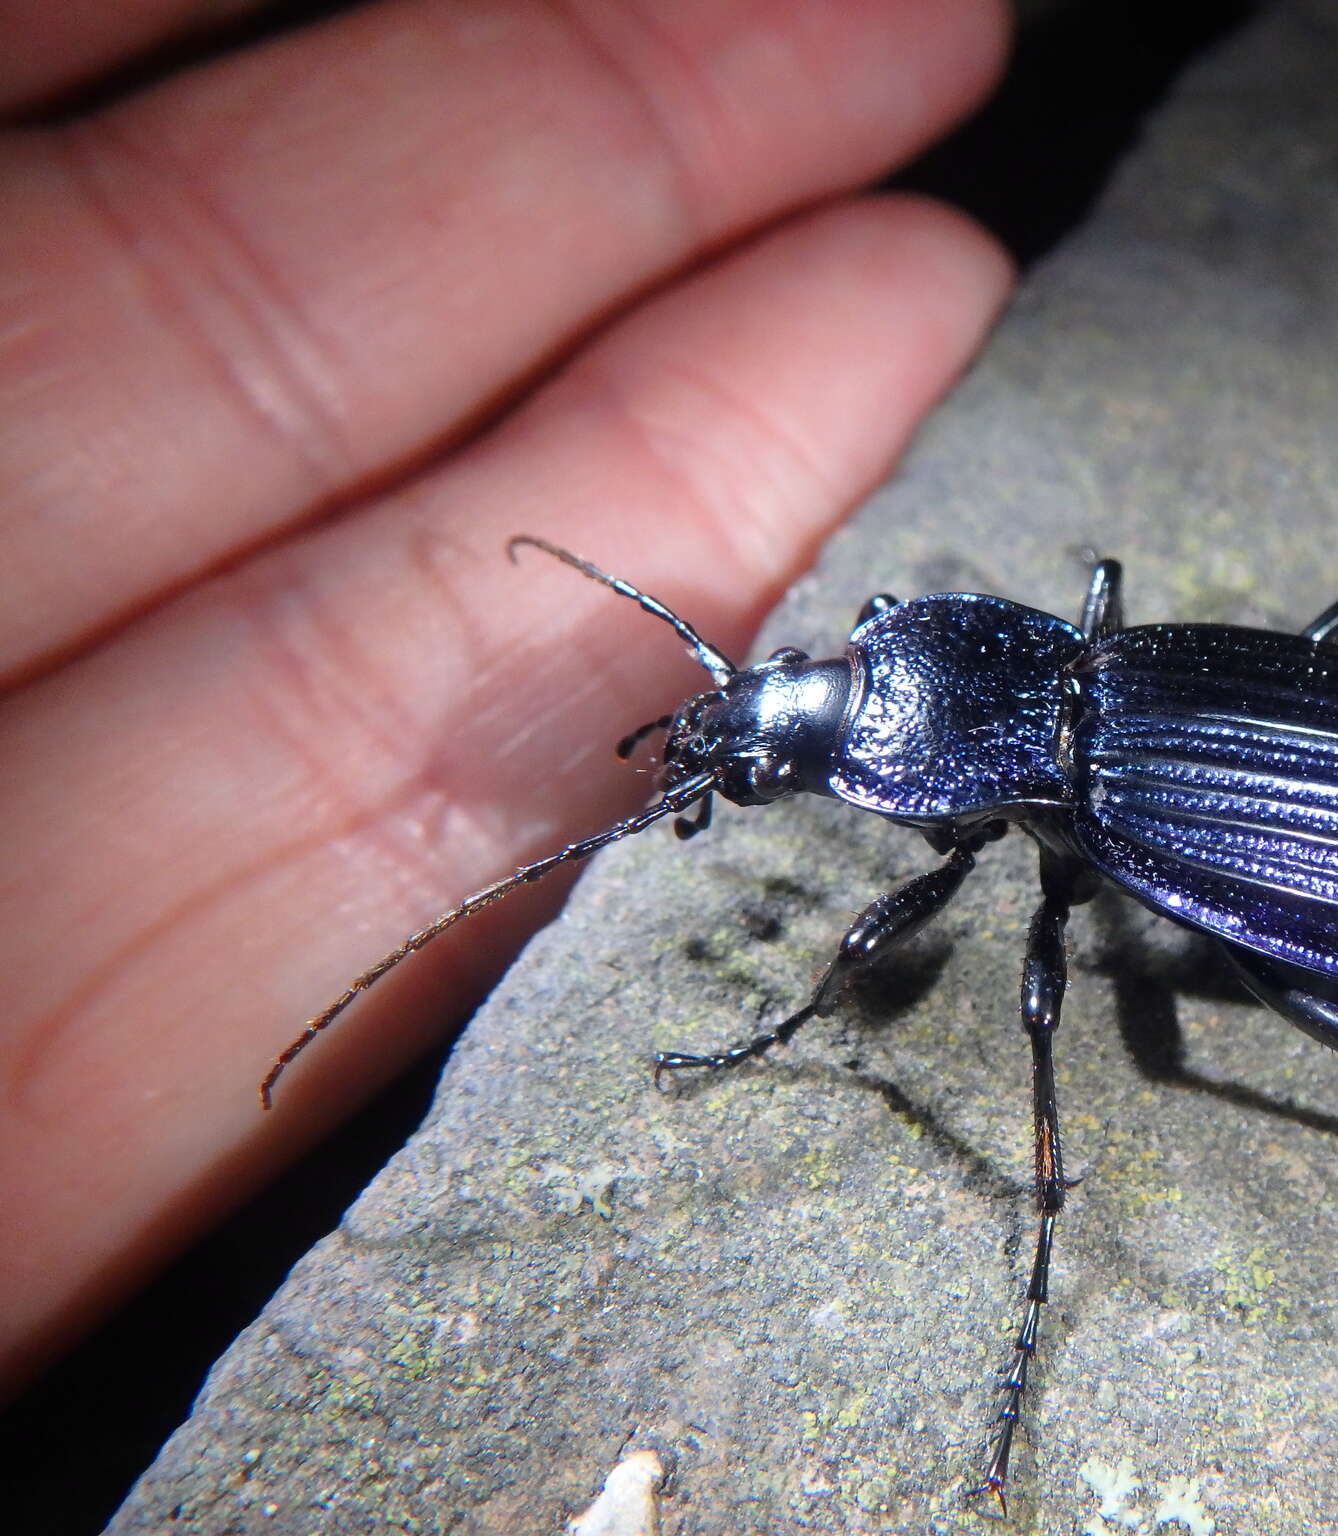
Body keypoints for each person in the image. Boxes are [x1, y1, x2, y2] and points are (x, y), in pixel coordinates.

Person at [0, 0, 1012, 1397]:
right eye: (778, 701)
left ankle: (969, 1186)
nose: (739, 723)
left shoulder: (988, 742)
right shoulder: (970, 688)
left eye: (766, 741)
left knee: (1041, 997)